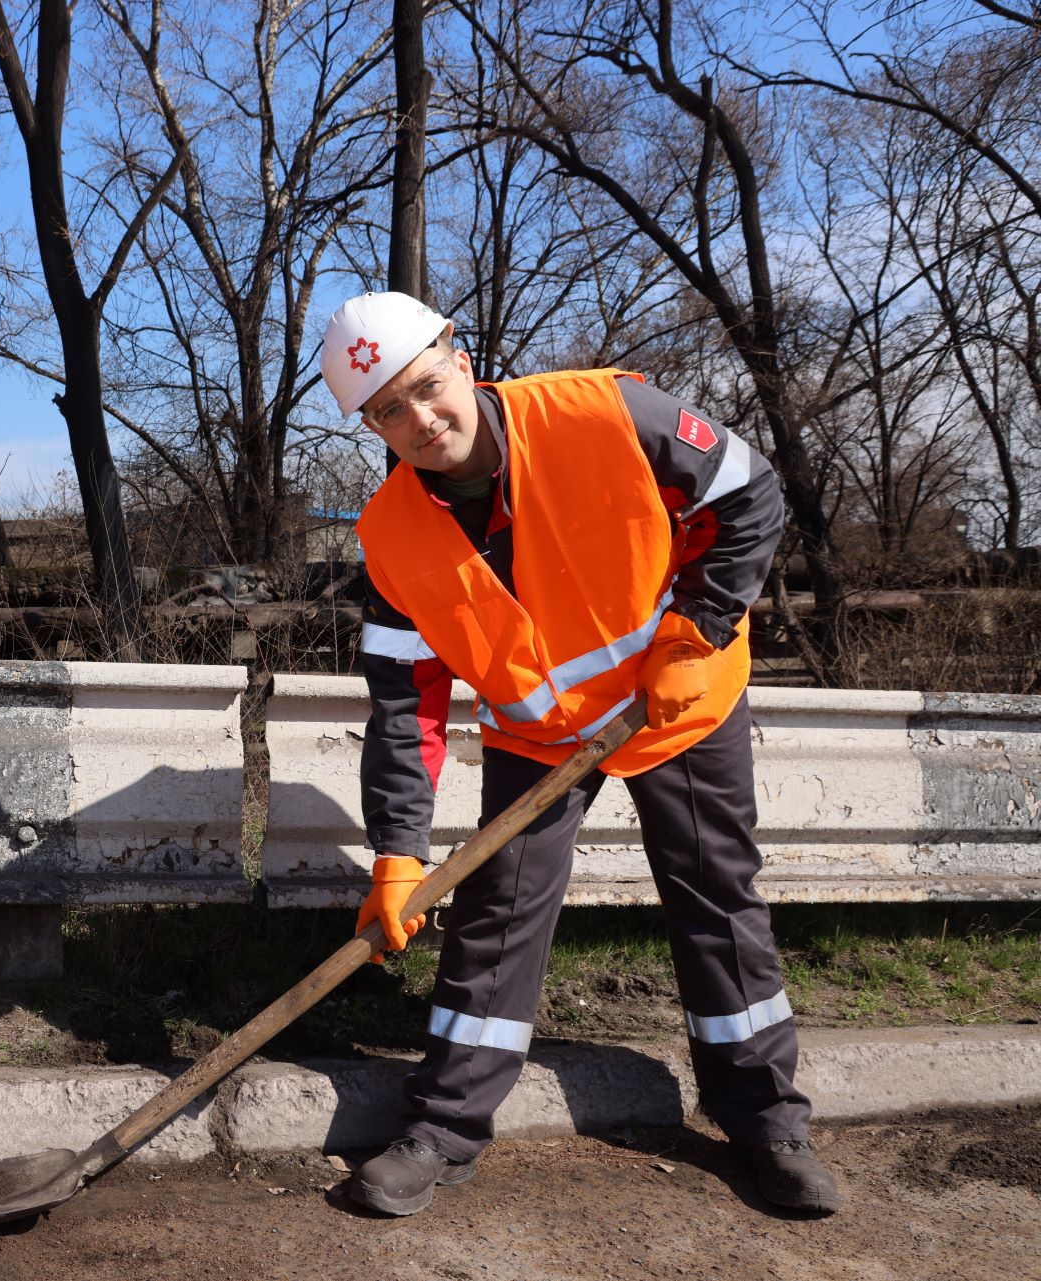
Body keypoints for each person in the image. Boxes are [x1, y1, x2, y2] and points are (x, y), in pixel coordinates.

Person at [320, 291, 841, 1219]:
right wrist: (399, 852)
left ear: (461, 354)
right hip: (544, 733)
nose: (420, 420)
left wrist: (699, 630)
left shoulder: (605, 413)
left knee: (717, 893)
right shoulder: (391, 538)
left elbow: (748, 489)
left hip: (674, 698)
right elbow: (406, 711)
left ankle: (768, 1120)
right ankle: (442, 1129)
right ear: (368, 424)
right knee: (495, 917)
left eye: (428, 387)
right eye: (388, 410)